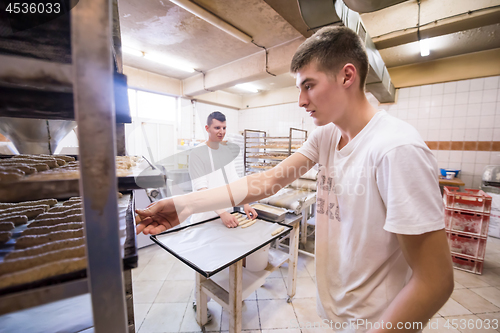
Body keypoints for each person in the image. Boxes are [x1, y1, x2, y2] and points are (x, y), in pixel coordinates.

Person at [136, 26, 453, 332]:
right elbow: (268, 181)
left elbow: (435, 282)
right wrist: (184, 204)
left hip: (378, 320)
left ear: (347, 75)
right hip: (339, 312)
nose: (301, 101)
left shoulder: (396, 149)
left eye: (309, 85)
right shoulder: (326, 136)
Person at [188, 111, 257, 227]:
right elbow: (202, 190)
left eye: (224, 128)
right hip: (204, 219)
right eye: (217, 128)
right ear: (207, 128)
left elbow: (234, 181)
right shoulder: (197, 154)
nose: (222, 132)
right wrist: (222, 213)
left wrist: (245, 203)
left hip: (227, 217)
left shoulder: (226, 153)